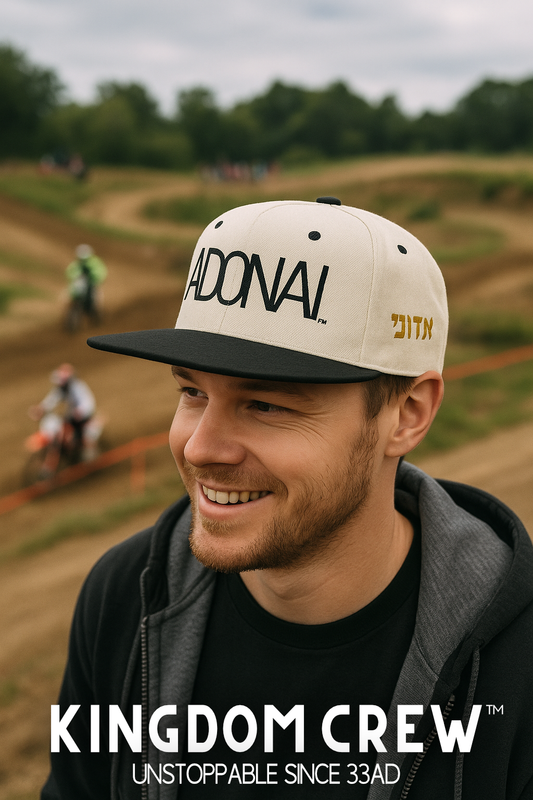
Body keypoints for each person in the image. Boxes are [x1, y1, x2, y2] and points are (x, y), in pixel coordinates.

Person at [42, 199, 533, 800]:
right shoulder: (125, 597)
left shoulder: (519, 660)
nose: (200, 448)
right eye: (192, 391)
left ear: (407, 415)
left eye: (267, 404)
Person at [30, 363, 96, 462]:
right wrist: (41, 408)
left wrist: (80, 412)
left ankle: (89, 455)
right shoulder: (61, 389)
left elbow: (88, 402)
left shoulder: (78, 388)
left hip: (81, 416)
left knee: (80, 436)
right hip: (70, 415)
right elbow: (52, 399)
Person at [65, 244, 107, 322]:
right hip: (80, 285)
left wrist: (94, 277)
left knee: (96, 298)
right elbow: (70, 272)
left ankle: (97, 312)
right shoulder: (77, 264)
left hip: (91, 284)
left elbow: (101, 272)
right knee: (68, 296)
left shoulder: (95, 262)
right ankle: (69, 313)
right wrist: (75, 276)